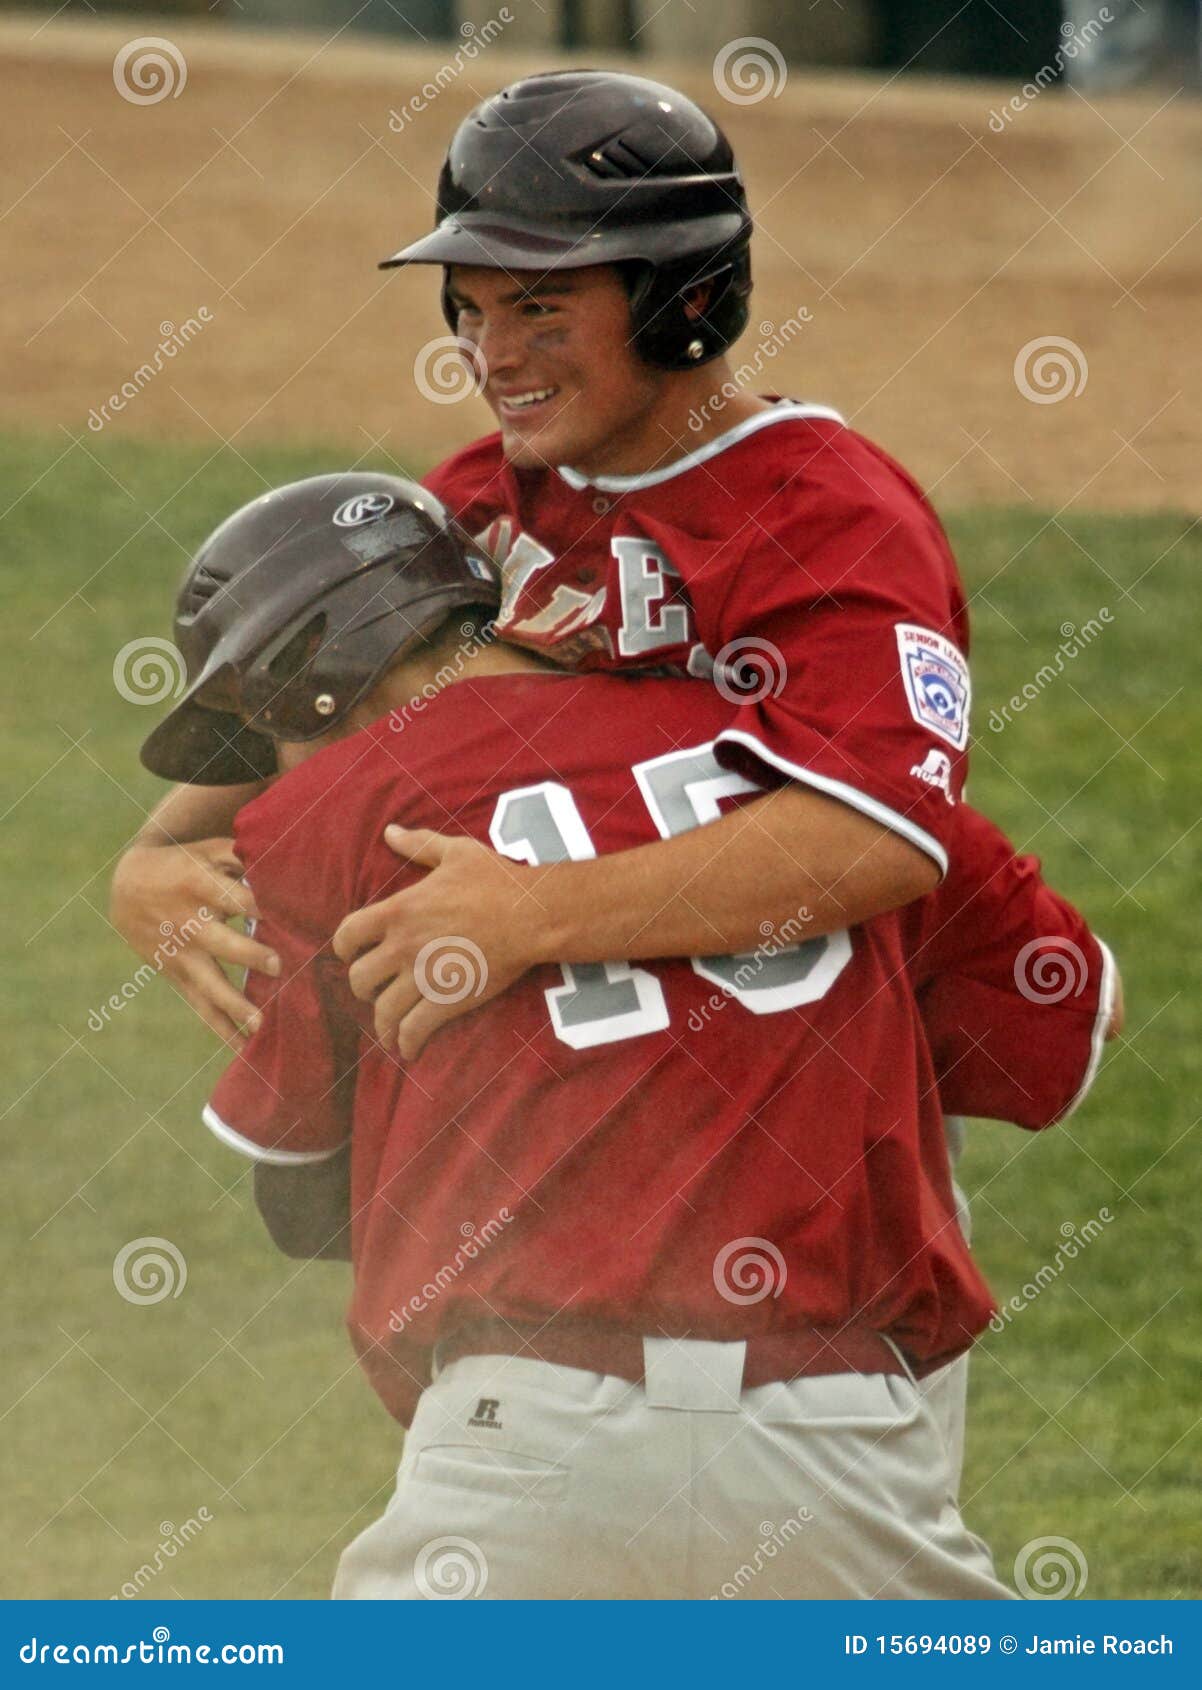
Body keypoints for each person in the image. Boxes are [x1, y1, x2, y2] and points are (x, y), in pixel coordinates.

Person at [140, 472, 1115, 1600]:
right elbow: (1067, 1027)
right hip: (842, 1447)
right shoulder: (836, 794)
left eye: (261, 736)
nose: (263, 776)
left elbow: (300, 1193)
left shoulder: (328, 812)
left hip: (521, 1449)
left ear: (316, 686)